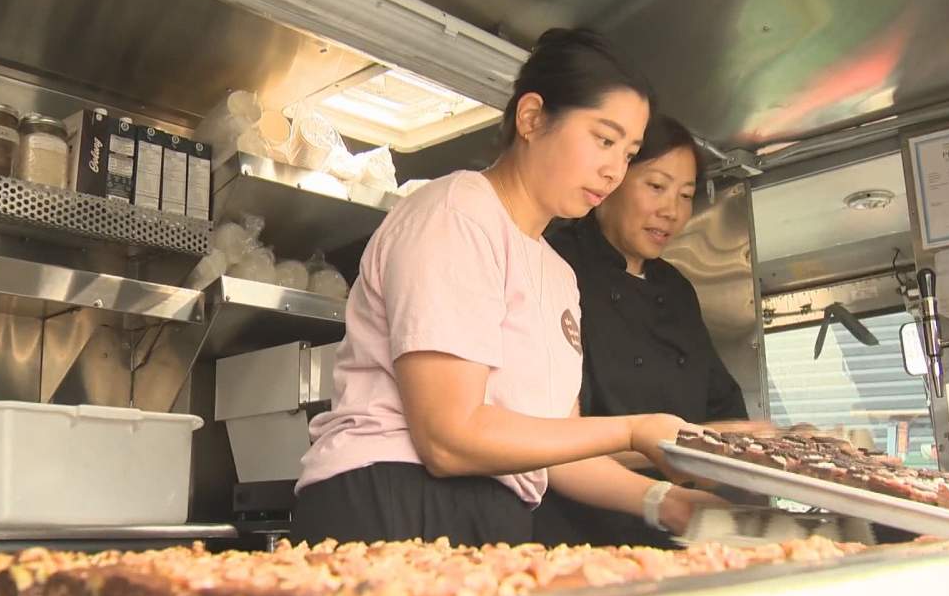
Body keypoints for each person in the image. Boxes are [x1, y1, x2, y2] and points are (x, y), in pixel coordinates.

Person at [292, 29, 719, 547]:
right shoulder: (458, 213)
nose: (613, 168)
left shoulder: (558, 274)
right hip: (391, 495)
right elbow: (448, 438)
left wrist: (665, 501)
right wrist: (633, 430)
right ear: (532, 118)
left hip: (496, 514)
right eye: (603, 139)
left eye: (628, 153)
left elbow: (554, 452)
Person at [534, 114, 752, 548]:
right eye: (656, 186)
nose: (671, 210)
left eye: (685, 195)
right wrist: (690, 456)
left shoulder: (676, 289)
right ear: (611, 180)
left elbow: (720, 406)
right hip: (580, 532)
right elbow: (546, 435)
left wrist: (754, 447)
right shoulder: (553, 266)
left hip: (683, 529)